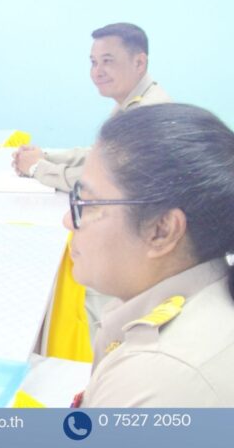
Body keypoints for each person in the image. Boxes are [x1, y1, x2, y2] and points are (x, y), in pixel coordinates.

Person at [66, 104, 234, 407]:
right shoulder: (210, 287)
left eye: (89, 204)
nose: (68, 221)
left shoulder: (157, 376)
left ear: (162, 230)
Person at [14, 23, 170, 191]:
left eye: (107, 61)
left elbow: (101, 181)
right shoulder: (132, 100)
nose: (97, 72)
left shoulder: (147, 113)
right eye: (94, 62)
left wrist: (36, 168)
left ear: (139, 63)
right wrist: (46, 157)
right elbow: (102, 154)